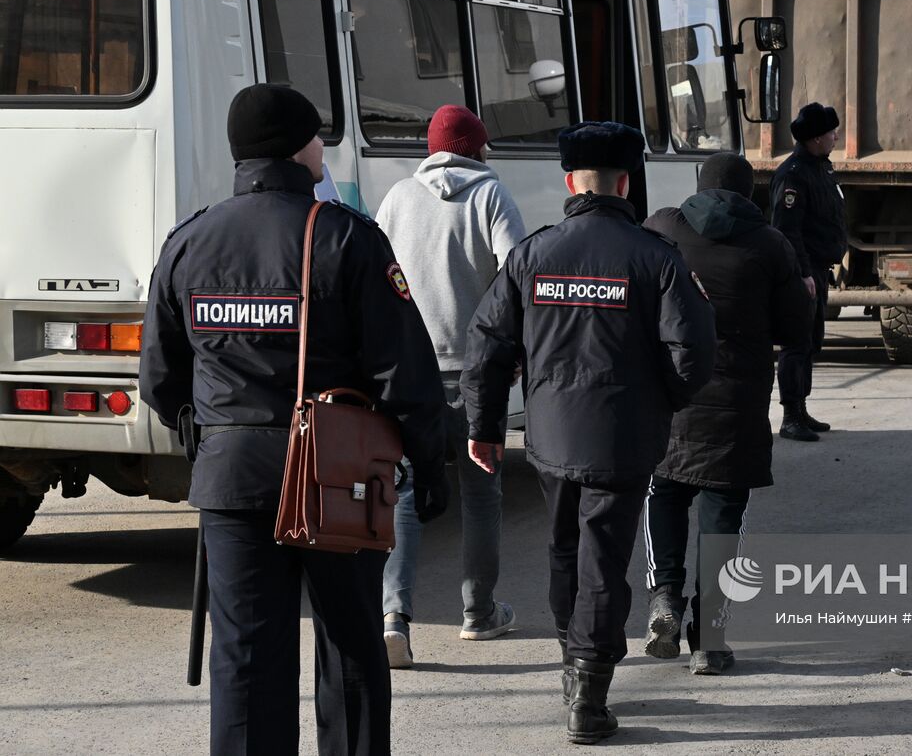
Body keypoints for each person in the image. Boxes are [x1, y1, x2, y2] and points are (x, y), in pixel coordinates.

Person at [139, 84, 450, 756]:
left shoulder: (188, 241)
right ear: (298, 147)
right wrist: (432, 461)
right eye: (317, 137)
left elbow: (160, 382)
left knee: (247, 657)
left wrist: (217, 436)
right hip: (337, 478)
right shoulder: (345, 236)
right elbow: (405, 373)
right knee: (350, 650)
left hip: (231, 480)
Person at [459, 121, 715, 745]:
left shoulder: (533, 255)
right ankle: (589, 692)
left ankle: (573, 670)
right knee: (603, 557)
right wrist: (660, 402)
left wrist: (485, 427)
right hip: (624, 439)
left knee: (563, 550)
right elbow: (694, 354)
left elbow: (486, 348)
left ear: (570, 180)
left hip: (549, 437)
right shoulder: (656, 258)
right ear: (626, 183)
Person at [640, 153, 810, 675]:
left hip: (668, 395)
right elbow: (796, 332)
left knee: (663, 493)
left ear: (699, 186)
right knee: (723, 515)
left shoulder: (661, 228)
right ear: (750, 193)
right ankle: (710, 640)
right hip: (735, 402)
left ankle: (665, 596)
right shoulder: (769, 244)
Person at [375, 105, 526, 668]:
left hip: (409, 373)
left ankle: (395, 619)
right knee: (482, 494)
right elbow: (517, 277)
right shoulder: (491, 196)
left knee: (404, 492)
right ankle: (478, 612)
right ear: (478, 149)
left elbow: (377, 276)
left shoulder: (396, 199)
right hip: (476, 371)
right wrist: (514, 351)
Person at [769, 102, 848, 442]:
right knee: (796, 343)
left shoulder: (821, 169)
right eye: (832, 132)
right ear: (816, 138)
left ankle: (801, 409)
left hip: (818, 269)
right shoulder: (794, 174)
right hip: (803, 272)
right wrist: (802, 273)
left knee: (810, 342)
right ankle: (790, 416)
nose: (836, 136)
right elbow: (788, 229)